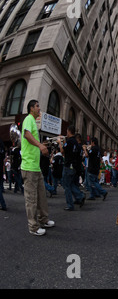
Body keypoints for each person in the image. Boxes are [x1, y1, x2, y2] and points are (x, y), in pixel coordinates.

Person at [21, 100, 55, 235]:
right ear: (31, 108)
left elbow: (32, 139)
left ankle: (43, 219)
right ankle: (33, 227)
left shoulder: (33, 122)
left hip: (36, 167)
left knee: (41, 196)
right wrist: (41, 146)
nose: (39, 109)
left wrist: (42, 144)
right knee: (31, 199)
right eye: (37, 106)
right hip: (29, 167)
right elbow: (27, 135)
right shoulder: (28, 119)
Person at [58, 125, 85, 210]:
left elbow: (62, 151)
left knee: (66, 185)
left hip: (68, 166)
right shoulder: (76, 143)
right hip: (74, 167)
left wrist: (60, 143)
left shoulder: (69, 142)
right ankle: (80, 195)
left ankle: (71, 204)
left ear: (69, 131)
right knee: (70, 184)